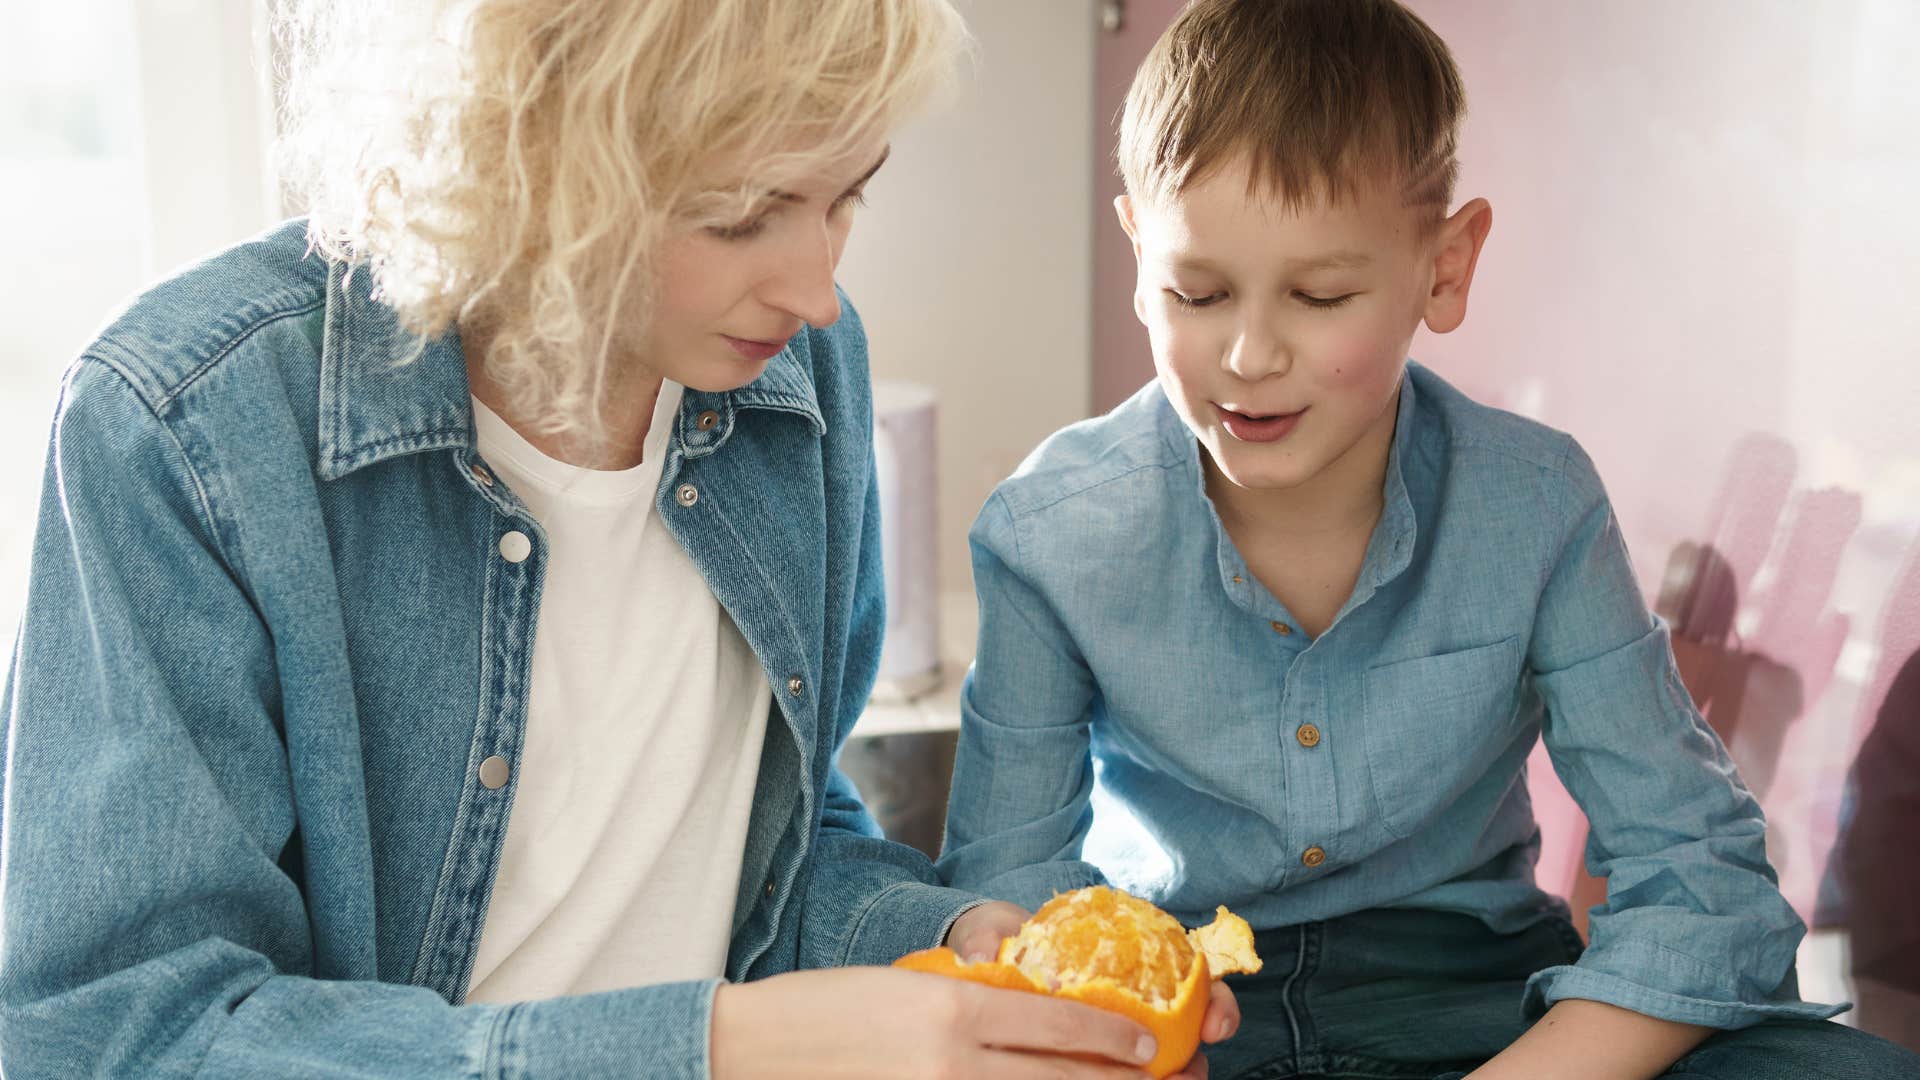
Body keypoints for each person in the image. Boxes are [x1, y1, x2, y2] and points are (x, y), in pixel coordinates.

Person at [0, 1, 1231, 1076]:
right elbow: (116, 1038)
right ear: (531, 166)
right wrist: (720, 1049)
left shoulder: (804, 378)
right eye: (746, 215)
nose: (816, 291)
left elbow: (769, 858)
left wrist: (943, 940)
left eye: (846, 194)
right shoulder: (181, 428)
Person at [935, 1, 1920, 1078]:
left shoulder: (1536, 504)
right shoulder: (1049, 532)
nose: (1249, 354)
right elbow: (1006, 894)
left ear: (1444, 270)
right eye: (1197, 291)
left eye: (1320, 295)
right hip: (1188, 1018)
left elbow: (1703, 877)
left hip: (1477, 999)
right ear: (1138, 255)